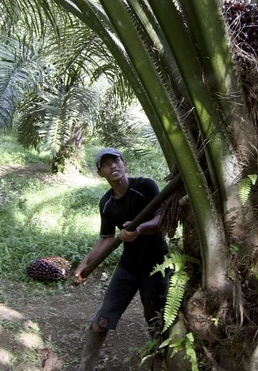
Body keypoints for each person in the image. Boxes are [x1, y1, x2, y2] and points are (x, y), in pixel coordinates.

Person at [74, 148, 168, 371]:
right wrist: (85, 263)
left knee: (156, 322)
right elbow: (106, 239)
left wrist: (139, 229)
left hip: (156, 266)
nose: (112, 166)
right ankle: (84, 367)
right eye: (106, 165)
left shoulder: (145, 186)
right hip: (128, 267)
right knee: (101, 321)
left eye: (115, 161)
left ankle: (162, 363)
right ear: (100, 174)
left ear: (125, 163)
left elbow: (162, 219)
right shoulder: (107, 203)